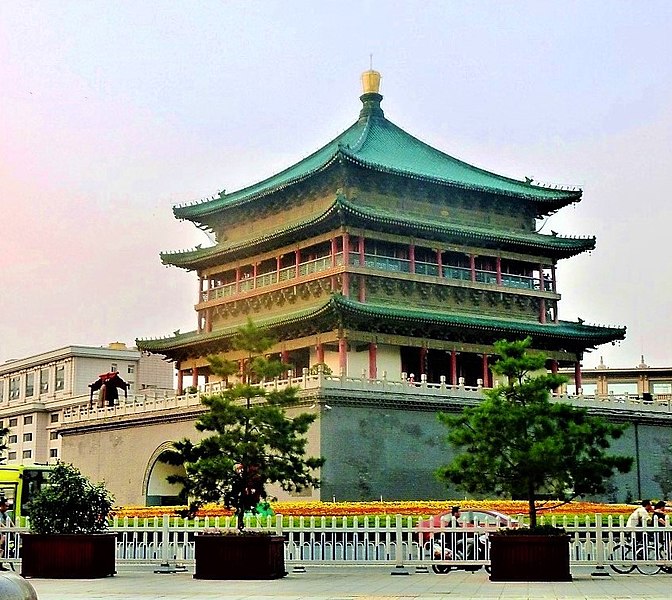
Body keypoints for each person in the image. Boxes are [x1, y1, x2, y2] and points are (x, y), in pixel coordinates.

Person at [0, 498, 12, 571]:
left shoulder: (5, 514)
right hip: (0, 534)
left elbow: (10, 522)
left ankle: (0, 564)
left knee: (2, 549)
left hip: (2, 534)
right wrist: (6, 528)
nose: (7, 508)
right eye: (6, 506)